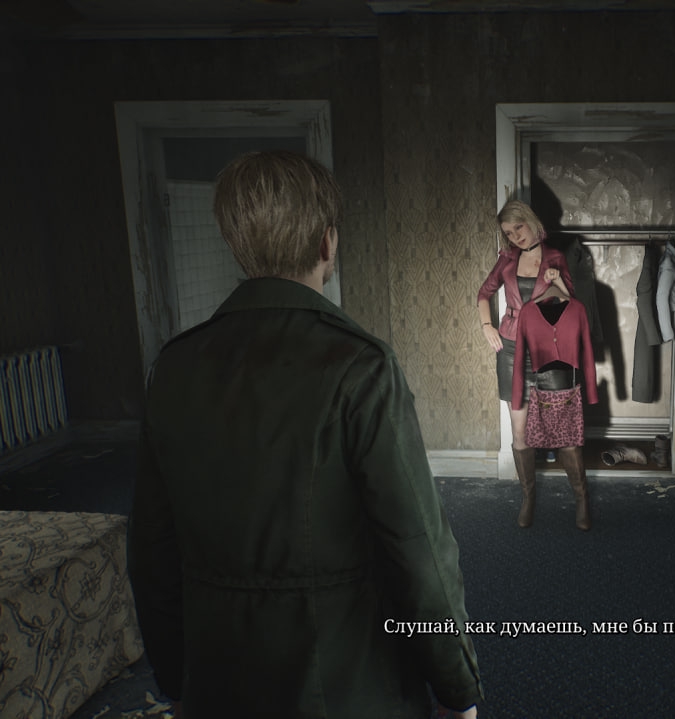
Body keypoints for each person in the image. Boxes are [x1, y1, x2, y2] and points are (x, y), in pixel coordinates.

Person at [127, 150, 481, 719]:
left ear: (235, 242)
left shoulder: (173, 366)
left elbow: (151, 550)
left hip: (219, 682)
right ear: (327, 243)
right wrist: (457, 685)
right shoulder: (361, 365)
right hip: (345, 684)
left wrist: (177, 677)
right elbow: (418, 550)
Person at [476, 200, 575, 528]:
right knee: (519, 433)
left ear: (531, 221)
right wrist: (487, 326)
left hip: (548, 349)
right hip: (511, 350)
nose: (515, 236)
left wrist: (557, 281)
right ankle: (528, 497)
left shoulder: (555, 257)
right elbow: (484, 293)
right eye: (508, 232)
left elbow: (571, 304)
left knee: (562, 430)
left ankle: (581, 497)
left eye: (518, 227)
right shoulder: (506, 259)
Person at [511, 283, 599, 530]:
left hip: (567, 385)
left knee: (570, 441)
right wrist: (517, 395)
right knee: (524, 438)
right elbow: (519, 356)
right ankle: (528, 498)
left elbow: (588, 352)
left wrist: (591, 392)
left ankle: (582, 498)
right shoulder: (528, 312)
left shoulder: (578, 309)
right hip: (537, 385)